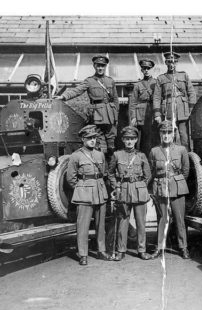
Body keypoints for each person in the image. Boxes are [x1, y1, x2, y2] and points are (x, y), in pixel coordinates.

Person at [66, 125, 113, 265]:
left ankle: (101, 250)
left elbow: (103, 172)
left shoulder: (100, 154)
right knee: (83, 226)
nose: (93, 140)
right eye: (89, 138)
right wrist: (82, 188)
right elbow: (71, 178)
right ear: (82, 139)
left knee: (101, 224)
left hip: (100, 191)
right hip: (84, 193)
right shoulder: (76, 156)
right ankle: (83, 254)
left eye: (94, 138)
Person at [55, 55, 119, 155]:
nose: (100, 68)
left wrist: (116, 115)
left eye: (103, 66)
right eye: (98, 66)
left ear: (105, 67)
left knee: (111, 143)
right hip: (97, 115)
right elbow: (77, 90)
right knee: (96, 142)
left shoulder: (110, 81)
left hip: (110, 115)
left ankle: (111, 169)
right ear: (94, 66)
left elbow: (115, 99)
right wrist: (64, 97)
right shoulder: (89, 81)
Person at [107, 126, 153, 261]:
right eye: (127, 139)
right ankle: (121, 250)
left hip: (139, 191)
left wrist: (142, 186)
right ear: (122, 139)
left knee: (141, 222)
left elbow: (148, 174)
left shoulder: (141, 155)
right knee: (123, 221)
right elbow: (110, 173)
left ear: (136, 140)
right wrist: (116, 186)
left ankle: (142, 250)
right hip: (123, 190)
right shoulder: (117, 155)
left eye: (132, 139)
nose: (129, 142)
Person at [149, 120, 190, 259]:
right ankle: (160, 247)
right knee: (162, 219)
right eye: (163, 133)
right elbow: (152, 170)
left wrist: (175, 180)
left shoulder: (181, 150)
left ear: (173, 134)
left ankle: (183, 247)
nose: (166, 135)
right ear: (160, 134)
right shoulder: (154, 151)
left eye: (169, 132)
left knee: (179, 219)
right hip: (161, 187)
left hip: (177, 187)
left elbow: (185, 171)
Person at [153, 52, 197, 149]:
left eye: (174, 62)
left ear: (176, 63)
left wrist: (191, 110)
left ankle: (185, 157)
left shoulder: (184, 75)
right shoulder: (161, 78)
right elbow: (156, 97)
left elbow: (192, 93)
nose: (171, 65)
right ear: (166, 63)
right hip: (168, 110)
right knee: (169, 135)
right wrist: (157, 114)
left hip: (182, 110)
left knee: (184, 136)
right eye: (169, 62)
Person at [128, 58, 158, 155]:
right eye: (144, 68)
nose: (146, 70)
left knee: (153, 138)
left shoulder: (156, 83)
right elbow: (133, 103)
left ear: (152, 69)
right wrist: (133, 117)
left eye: (148, 68)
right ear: (141, 70)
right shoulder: (138, 85)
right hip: (141, 115)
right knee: (141, 140)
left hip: (153, 114)